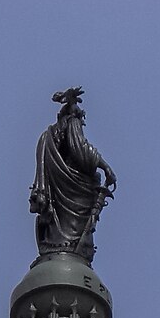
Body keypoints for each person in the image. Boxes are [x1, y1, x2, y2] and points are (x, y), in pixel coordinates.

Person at [30, 88, 117, 263]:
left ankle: (58, 245)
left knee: (62, 218)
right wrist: (105, 167)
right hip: (74, 186)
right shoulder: (72, 123)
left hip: (61, 184)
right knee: (73, 221)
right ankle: (69, 246)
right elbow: (80, 149)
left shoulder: (50, 135)